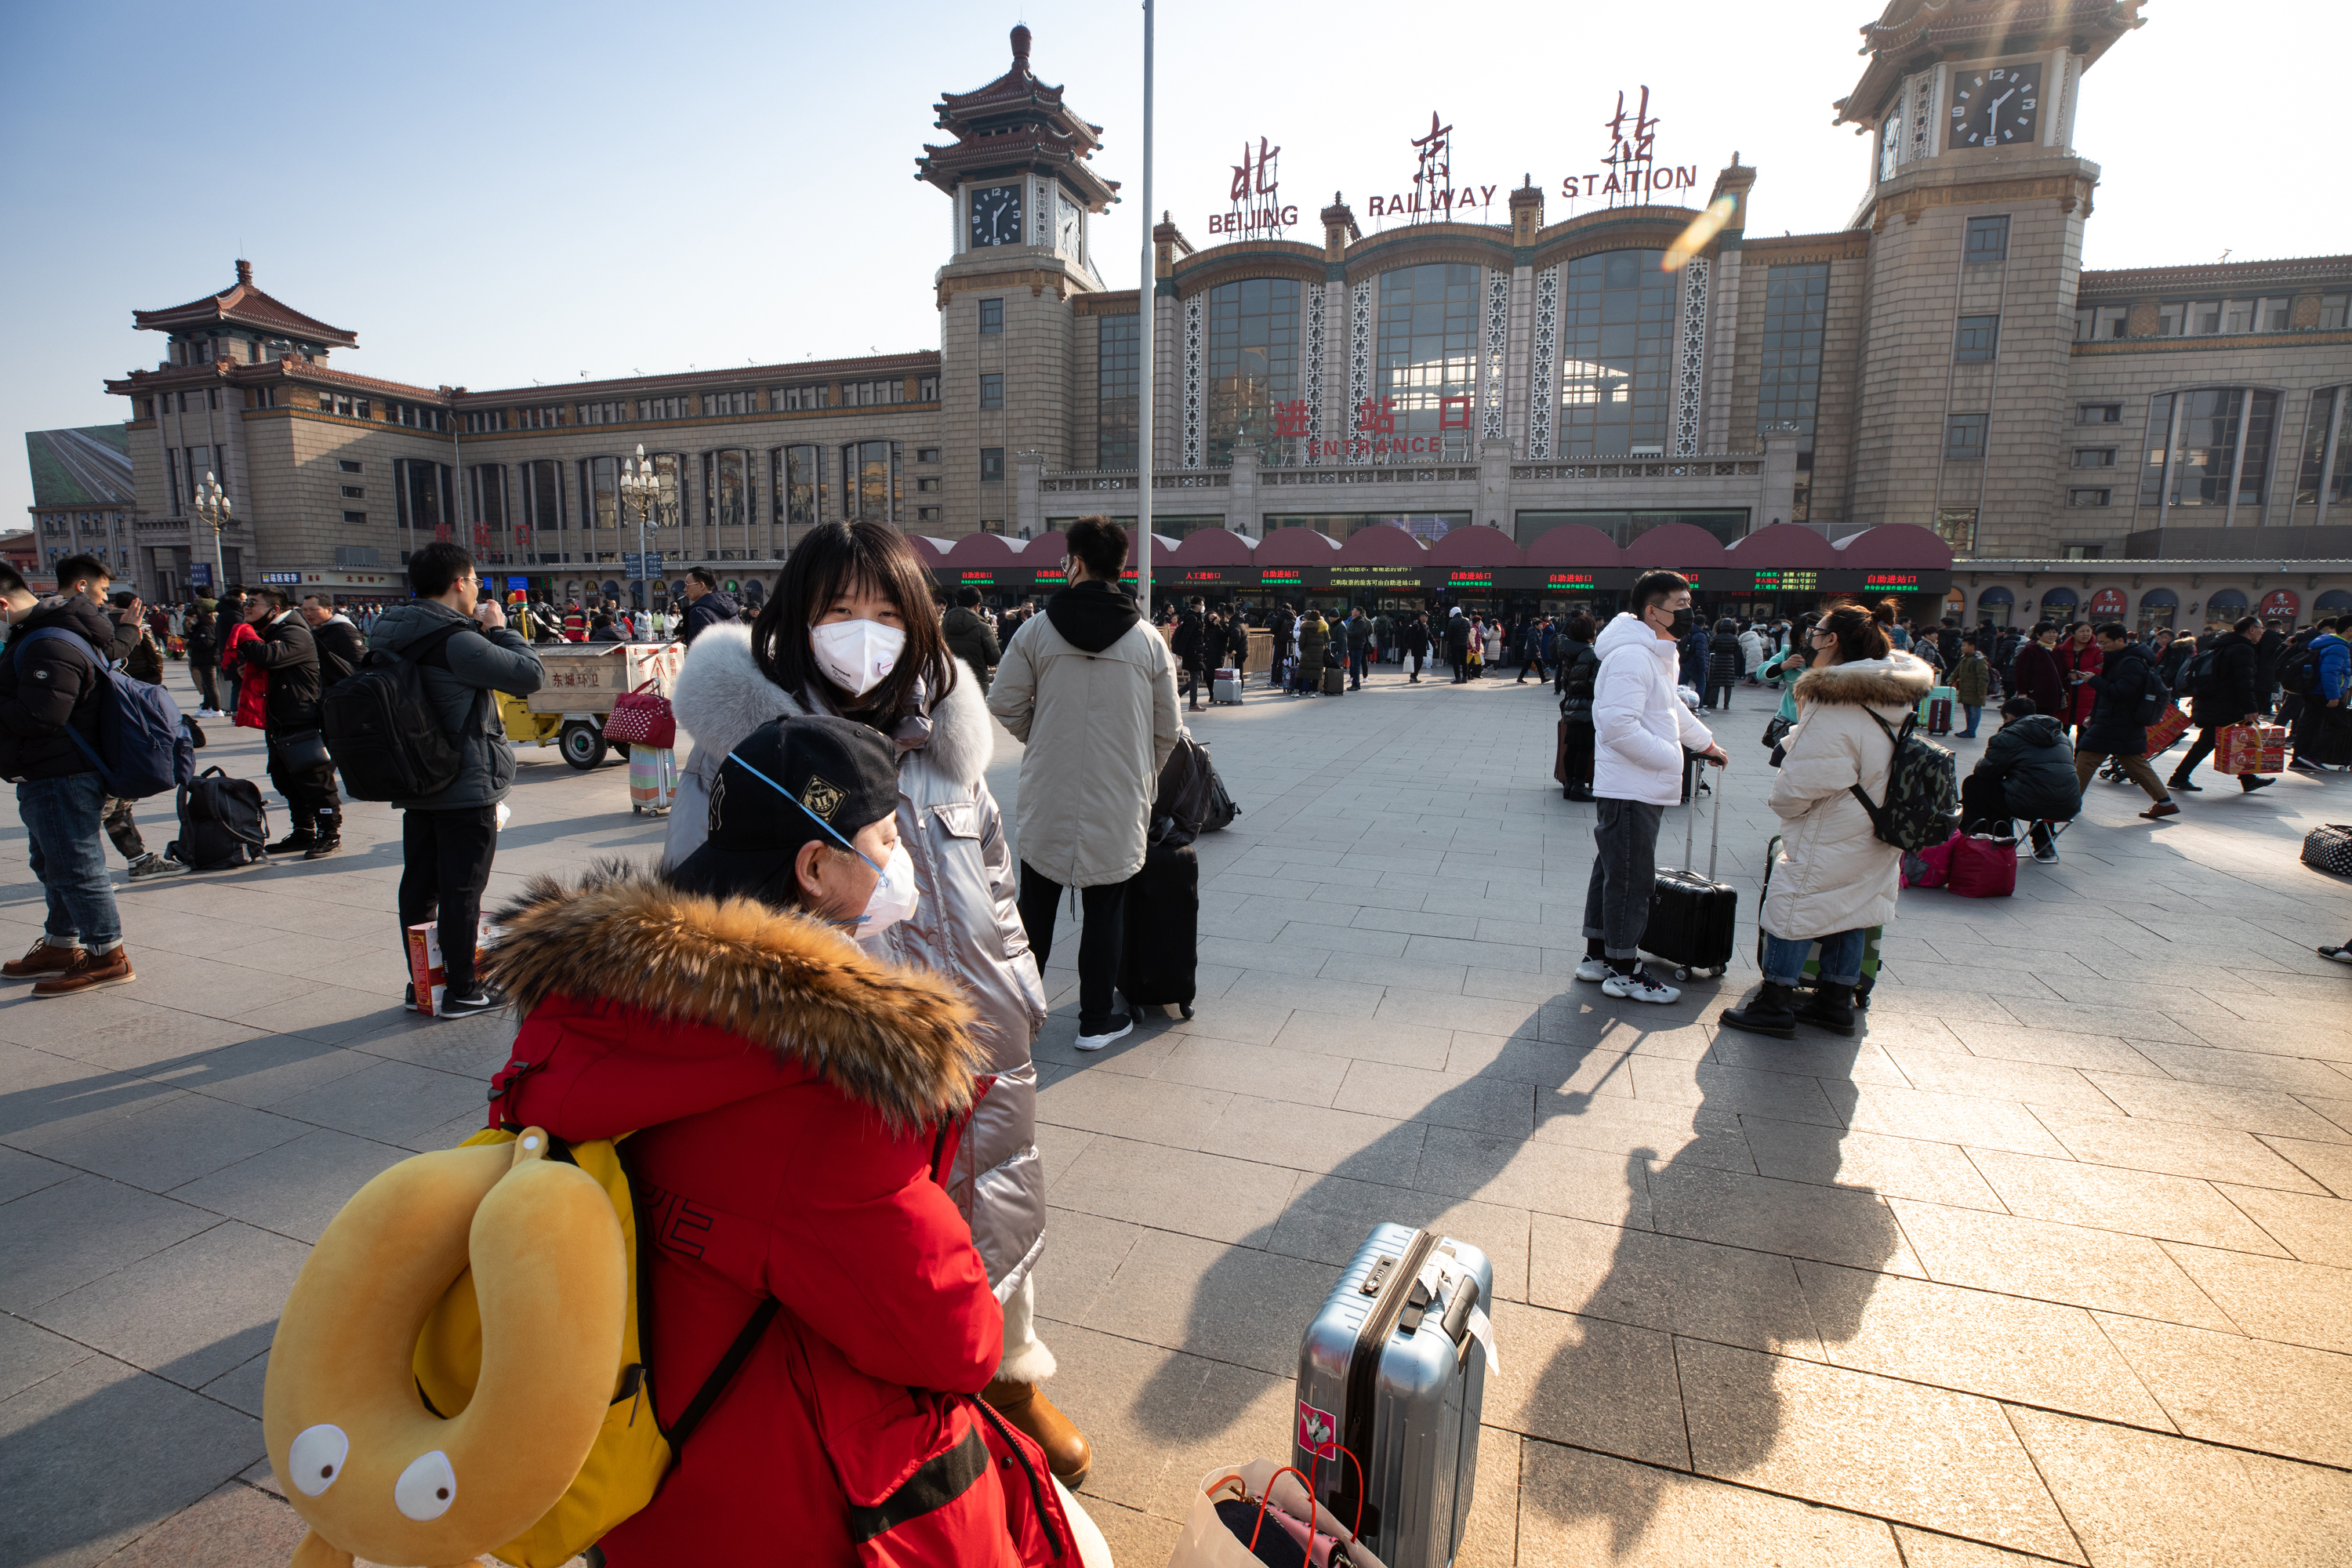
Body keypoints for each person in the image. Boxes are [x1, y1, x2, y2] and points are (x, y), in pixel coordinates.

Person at [482, 717, 1102, 1568]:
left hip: (623, 1466)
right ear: (815, 869)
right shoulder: (823, 1090)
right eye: (886, 836)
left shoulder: (590, 1012)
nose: (901, 854)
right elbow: (951, 1339)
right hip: (774, 1502)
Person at [667, 519, 1082, 1484]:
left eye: (888, 612)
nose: (865, 633)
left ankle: (1009, 1374)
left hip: (975, 1037)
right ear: (795, 622)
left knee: (997, 1207)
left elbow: (996, 880)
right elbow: (695, 910)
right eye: (839, 611)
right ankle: (891, 1404)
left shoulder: (946, 741)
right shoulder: (742, 748)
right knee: (871, 1242)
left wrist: (1018, 988)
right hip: (830, 1053)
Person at [988, 514, 1181, 1054]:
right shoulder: (1147, 641)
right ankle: (1096, 1019)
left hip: (1049, 790)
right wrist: (1139, 771)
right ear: (1122, 568)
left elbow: (1002, 702)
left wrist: (1045, 738)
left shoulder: (1035, 630)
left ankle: (1016, 1016)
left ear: (1073, 563)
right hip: (1118, 797)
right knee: (1106, 910)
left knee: (1036, 907)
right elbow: (1170, 730)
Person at [1720, 604, 1933, 1038]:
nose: (1810, 637)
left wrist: (1785, 805)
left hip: (1834, 822)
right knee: (1853, 906)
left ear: (1832, 640)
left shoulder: (1835, 698)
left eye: (1816, 631)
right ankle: (1835, 1001)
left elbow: (1806, 780)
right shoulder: (1890, 689)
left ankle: (1775, 1001)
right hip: (1881, 818)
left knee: (1793, 901)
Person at [369, 543, 546, 1018]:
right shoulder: (457, 641)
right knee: (463, 890)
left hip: (416, 777)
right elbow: (529, 676)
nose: (476, 590)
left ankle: (422, 983)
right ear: (459, 583)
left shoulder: (388, 633)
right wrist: (501, 631)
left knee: (420, 886)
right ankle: (464, 990)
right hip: (464, 779)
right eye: (474, 581)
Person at [1577, 571, 1725, 1005]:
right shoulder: (1631, 657)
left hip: (1637, 782)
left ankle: (1599, 957)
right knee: (1630, 877)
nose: (1688, 612)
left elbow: (1670, 707)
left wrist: (1704, 743)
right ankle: (1623, 970)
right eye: (1680, 605)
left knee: (1613, 868)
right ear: (1651, 611)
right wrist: (1672, 758)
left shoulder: (1655, 653)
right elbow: (1618, 728)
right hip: (1631, 785)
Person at [0, 555, 140, 996]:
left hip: (62, 772)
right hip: (46, 769)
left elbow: (42, 715)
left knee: (77, 865)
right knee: (52, 861)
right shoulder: (40, 631)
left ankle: (108, 954)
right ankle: (61, 945)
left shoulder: (47, 641)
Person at [241, 586, 343, 858]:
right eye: (246, 603)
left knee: (314, 779)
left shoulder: (293, 631)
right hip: (280, 719)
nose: (247, 608)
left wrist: (243, 635)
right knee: (285, 778)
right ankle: (303, 831)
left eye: (253, 603)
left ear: (274, 609)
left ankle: (329, 833)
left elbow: (269, 657)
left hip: (301, 717)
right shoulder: (274, 632)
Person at [2073, 622, 2179, 820]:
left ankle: (2069, 804)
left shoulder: (2130, 662)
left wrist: (2093, 680)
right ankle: (2166, 803)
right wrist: (2093, 715)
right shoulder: (2124, 658)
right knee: (2134, 762)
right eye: (2099, 642)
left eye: (2104, 642)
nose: (2100, 646)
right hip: (2120, 721)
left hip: (2116, 721)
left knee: (2086, 759)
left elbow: (2122, 692)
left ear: (2120, 641)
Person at [2169, 615, 2276, 797]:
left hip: (2212, 701)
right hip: (2225, 705)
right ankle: (2179, 778)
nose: (2261, 633)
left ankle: (2248, 780)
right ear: (2251, 629)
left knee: (2228, 739)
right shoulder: (2243, 649)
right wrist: (2250, 708)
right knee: (2208, 742)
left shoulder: (2222, 645)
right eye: (2260, 629)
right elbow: (2243, 681)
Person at [1964, 697, 2080, 862]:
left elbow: (1985, 772)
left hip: (2030, 805)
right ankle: (2043, 843)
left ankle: (1995, 838)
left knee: (1974, 784)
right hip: (2069, 806)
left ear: (2009, 716)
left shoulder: (2008, 735)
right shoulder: (2062, 736)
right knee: (2043, 786)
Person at [2289, 619, 2350, 771]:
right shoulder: (2339, 647)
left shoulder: (2323, 642)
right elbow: (2330, 672)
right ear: (2350, 629)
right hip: (2324, 692)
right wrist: (2333, 695)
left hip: (2312, 689)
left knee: (2309, 725)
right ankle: (2311, 756)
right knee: (2341, 723)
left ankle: (2298, 760)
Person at [1556, 613, 1601, 801]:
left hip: (1571, 704)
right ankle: (1578, 786)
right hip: (1587, 706)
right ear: (1591, 633)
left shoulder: (1569, 651)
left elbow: (1567, 681)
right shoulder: (1592, 654)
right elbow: (1595, 684)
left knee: (1572, 746)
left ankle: (1569, 785)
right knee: (1584, 748)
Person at [942, 585, 1001, 694]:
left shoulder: (942, 626)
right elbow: (994, 659)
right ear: (977, 606)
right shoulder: (983, 627)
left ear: (957, 603)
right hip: (975, 685)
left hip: (949, 684)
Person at [299, 596, 364, 692]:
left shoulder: (344, 630)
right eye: (304, 610)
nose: (308, 614)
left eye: (313, 609)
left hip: (342, 692)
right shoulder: (316, 631)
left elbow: (359, 664)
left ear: (329, 610)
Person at [2055, 621, 2103, 738]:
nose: (2086, 634)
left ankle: (2079, 756)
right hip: (2066, 695)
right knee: (2062, 732)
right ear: (2072, 633)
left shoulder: (2098, 650)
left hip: (2088, 695)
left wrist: (2080, 675)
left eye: (2088, 631)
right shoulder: (2061, 650)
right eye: (2082, 631)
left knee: (2084, 732)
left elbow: (2102, 667)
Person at [2011, 621, 2067, 721]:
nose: (2052, 635)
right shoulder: (2030, 650)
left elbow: (2062, 673)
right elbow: (2021, 673)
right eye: (2048, 632)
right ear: (2038, 634)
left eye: (2054, 632)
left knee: (2048, 722)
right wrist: (2022, 692)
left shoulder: (2058, 651)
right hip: (2034, 696)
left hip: (2053, 696)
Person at [1950, 632, 1992, 738]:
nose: (1962, 648)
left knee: (1974, 711)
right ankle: (1968, 730)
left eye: (1964, 645)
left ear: (1972, 646)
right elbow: (1957, 670)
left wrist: (1982, 693)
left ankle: (1971, 731)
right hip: (1966, 690)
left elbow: (1983, 677)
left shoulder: (1979, 660)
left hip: (1975, 691)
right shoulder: (1965, 658)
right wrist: (1951, 679)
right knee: (1968, 711)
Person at [183, 603, 220, 716]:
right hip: (204, 659)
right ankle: (206, 707)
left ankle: (216, 709)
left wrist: (189, 642)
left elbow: (206, 643)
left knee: (210, 685)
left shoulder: (205, 628)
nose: (189, 621)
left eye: (189, 619)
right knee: (205, 685)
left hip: (208, 659)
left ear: (195, 616)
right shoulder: (200, 628)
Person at [1706, 617, 1742, 710]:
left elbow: (1710, 646)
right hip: (1729, 661)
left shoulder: (1716, 637)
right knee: (1728, 684)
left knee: (1716, 683)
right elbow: (1738, 649)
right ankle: (1726, 704)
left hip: (1718, 660)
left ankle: (1713, 703)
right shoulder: (1734, 638)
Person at [1298, 604, 1332, 695]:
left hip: (1306, 654)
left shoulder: (1305, 627)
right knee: (1316, 674)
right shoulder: (1323, 627)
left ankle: (1296, 690)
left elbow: (1301, 642)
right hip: (1319, 654)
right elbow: (1328, 639)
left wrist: (1302, 650)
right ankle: (1313, 692)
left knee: (1302, 672)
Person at [1345, 606, 1374, 689]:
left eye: (1354, 610)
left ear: (1358, 612)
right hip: (1353, 646)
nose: (1352, 611)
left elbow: (1357, 633)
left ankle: (1356, 684)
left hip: (1357, 646)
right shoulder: (1354, 621)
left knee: (1356, 665)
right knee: (1353, 665)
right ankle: (1355, 683)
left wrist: (1347, 633)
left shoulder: (1361, 621)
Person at [1443, 607, 1472, 684]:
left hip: (1455, 644)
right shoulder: (1467, 621)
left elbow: (1449, 633)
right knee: (1464, 661)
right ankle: (1465, 678)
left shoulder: (1452, 621)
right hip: (1464, 644)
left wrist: (1449, 641)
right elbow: (1469, 631)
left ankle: (1458, 678)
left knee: (1456, 662)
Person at [1403, 611, 1431, 683]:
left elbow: (1429, 635)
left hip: (1421, 647)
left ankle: (1414, 676)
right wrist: (1409, 647)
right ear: (1421, 616)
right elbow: (1412, 637)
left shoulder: (1425, 625)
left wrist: (1434, 643)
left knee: (1419, 662)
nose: (1427, 617)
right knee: (1418, 662)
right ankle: (1413, 676)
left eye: (1427, 616)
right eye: (1425, 616)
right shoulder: (1416, 625)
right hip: (1416, 647)